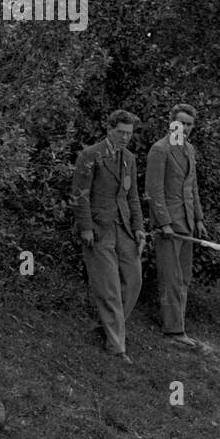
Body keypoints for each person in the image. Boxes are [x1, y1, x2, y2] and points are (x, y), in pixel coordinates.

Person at [72, 110, 146, 363]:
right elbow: (80, 194)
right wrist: (85, 227)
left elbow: (132, 196)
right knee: (110, 288)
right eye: (121, 132)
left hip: (124, 228)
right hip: (99, 229)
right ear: (109, 129)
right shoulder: (90, 155)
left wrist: (138, 227)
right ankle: (116, 348)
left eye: (129, 133)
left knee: (134, 280)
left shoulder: (130, 159)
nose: (125, 138)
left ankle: (108, 329)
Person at [145, 103, 209, 348]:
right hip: (169, 227)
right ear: (171, 122)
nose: (184, 127)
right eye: (180, 122)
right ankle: (173, 332)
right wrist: (164, 223)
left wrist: (199, 219)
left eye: (189, 124)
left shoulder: (189, 149)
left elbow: (192, 187)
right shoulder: (160, 150)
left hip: (187, 223)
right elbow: (153, 191)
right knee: (170, 278)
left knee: (184, 278)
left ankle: (179, 327)